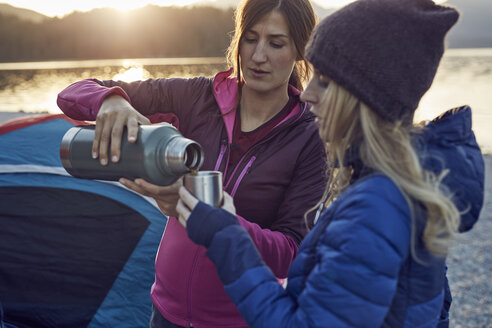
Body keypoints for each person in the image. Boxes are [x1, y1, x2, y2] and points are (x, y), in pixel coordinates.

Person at [176, 0, 485, 327]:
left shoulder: (376, 209)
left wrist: (225, 236)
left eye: (323, 80)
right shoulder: (407, 184)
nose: (306, 94)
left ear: (363, 95)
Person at [57, 0, 325, 327]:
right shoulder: (198, 97)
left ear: (301, 48)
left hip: (241, 319)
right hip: (165, 313)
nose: (258, 56)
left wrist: (212, 219)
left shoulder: (309, 137)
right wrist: (110, 100)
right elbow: (73, 93)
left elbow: (293, 252)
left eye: (276, 43)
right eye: (250, 38)